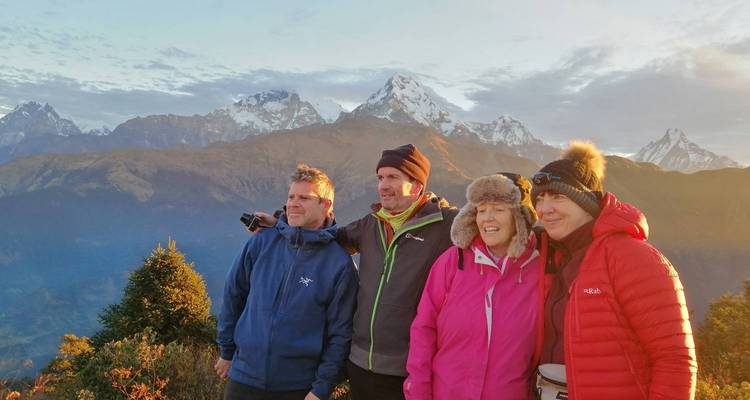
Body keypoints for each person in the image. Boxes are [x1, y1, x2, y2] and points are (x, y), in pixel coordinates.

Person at [531, 141, 697, 399]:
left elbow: (675, 359)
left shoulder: (632, 257)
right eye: (539, 199)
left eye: (557, 196)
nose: (544, 209)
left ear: (585, 201)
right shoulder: (553, 256)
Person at [215, 164, 357, 400]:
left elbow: (341, 334)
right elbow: (233, 294)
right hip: (243, 378)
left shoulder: (339, 264)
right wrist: (227, 350)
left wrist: (322, 387)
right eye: (291, 196)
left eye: (304, 197)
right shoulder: (262, 242)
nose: (293, 203)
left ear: (326, 204)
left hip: (298, 387)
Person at [405, 172, 543, 400]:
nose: (487, 218)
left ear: (520, 217)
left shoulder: (539, 269)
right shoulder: (453, 261)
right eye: (481, 209)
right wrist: (418, 391)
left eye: (499, 209)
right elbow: (424, 329)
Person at [339, 144, 458, 400]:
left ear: (416, 186)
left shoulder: (445, 224)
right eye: (380, 177)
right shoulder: (371, 224)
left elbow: (492, 227)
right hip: (359, 364)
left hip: (406, 371)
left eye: (393, 177)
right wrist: (280, 224)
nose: (382, 185)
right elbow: (327, 238)